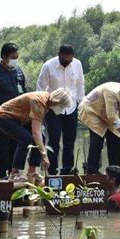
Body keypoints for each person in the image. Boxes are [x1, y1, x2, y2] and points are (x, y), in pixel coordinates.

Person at [0, 88, 72, 184]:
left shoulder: (47, 101)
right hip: (4, 116)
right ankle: (14, 174)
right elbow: (36, 133)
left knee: (42, 138)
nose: (62, 109)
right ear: (58, 101)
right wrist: (45, 156)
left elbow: (38, 132)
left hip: (20, 118)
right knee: (25, 138)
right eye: (62, 106)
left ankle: (31, 172)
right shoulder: (39, 102)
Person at [37, 44, 84, 175]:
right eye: (65, 59)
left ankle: (67, 169)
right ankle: (52, 170)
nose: (68, 62)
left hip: (71, 106)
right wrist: (42, 108)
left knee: (70, 139)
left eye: (70, 59)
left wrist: (81, 104)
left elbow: (80, 85)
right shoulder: (48, 66)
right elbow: (40, 87)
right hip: (53, 108)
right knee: (54, 138)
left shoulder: (77, 64)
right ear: (59, 55)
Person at [79, 79, 120, 174]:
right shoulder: (112, 92)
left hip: (109, 115)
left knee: (116, 138)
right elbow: (112, 117)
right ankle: (92, 171)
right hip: (92, 111)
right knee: (97, 138)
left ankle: (115, 171)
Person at [0, 43, 27, 180]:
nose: (15, 59)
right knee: (2, 145)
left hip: (18, 116)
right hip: (2, 116)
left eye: (17, 57)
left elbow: (24, 93)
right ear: (4, 57)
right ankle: (0, 175)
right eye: (12, 57)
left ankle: (13, 173)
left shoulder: (19, 72)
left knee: (16, 144)